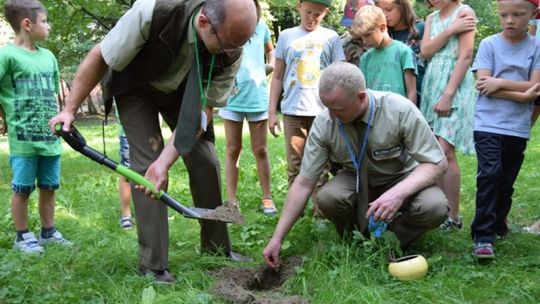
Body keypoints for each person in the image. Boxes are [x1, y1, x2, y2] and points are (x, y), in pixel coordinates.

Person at [49, 0, 258, 283]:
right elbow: (100, 56)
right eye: (226, 44)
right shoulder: (153, 11)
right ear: (204, 23)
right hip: (136, 85)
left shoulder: (232, 48)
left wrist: (167, 161)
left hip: (185, 89)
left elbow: (201, 114)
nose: (231, 52)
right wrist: (70, 109)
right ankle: (154, 265)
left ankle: (217, 248)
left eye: (239, 44)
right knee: (148, 163)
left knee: (206, 159)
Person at [263, 62, 449, 268]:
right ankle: (355, 240)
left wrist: (397, 194)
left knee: (435, 207)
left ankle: (393, 239)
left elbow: (437, 163)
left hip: (401, 177)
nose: (332, 116)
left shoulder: (399, 110)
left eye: (338, 109)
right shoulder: (326, 121)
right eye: (327, 108)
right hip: (355, 178)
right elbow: (304, 183)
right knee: (328, 197)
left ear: (361, 97)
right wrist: (277, 238)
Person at [470, 0, 540, 259]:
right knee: (489, 174)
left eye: (518, 15)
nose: (510, 20)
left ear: (533, 15)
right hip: (488, 123)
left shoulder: (537, 46)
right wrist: (523, 94)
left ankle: (498, 223)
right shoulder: (489, 44)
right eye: (504, 15)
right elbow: (482, 83)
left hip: (517, 128)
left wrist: (499, 83)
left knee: (506, 181)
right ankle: (482, 235)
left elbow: (536, 86)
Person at [0, 0, 72, 253]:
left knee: (49, 187)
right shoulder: (6, 55)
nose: (48, 26)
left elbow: (53, 95)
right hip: (23, 141)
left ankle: (48, 231)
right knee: (22, 189)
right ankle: (22, 236)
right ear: (27, 24)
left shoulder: (48, 56)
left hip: (50, 139)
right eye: (45, 21)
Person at [268, 0, 345, 214]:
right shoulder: (286, 36)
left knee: (321, 166)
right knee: (295, 165)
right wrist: (272, 112)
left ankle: (320, 214)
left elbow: (340, 75)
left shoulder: (331, 37)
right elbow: (277, 77)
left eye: (318, 14)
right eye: (308, 11)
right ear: (299, 6)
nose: (312, 18)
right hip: (293, 111)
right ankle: (295, 212)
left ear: (326, 13)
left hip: (323, 113)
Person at [420, 0, 477, 231]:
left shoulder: (465, 12)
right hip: (433, 82)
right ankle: (438, 211)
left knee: (445, 151)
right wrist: (451, 30)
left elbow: (465, 56)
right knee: (433, 151)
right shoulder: (431, 18)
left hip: (454, 85)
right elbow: (425, 52)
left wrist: (448, 94)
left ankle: (453, 217)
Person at [218, 0, 277, 215]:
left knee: (260, 150)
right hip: (231, 97)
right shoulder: (225, 24)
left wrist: (269, 67)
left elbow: (271, 51)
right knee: (233, 149)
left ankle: (267, 197)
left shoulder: (261, 28)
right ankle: (231, 201)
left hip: (257, 98)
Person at [351, 5, 417, 104]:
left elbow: (412, 92)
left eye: (368, 35)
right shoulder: (365, 58)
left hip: (399, 113)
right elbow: (364, 91)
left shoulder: (403, 51)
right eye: (362, 36)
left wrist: (409, 117)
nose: (364, 41)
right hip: (374, 114)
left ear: (382, 27)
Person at [375, 0, 426, 107]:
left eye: (389, 9)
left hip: (422, 96)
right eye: (381, 11)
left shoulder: (421, 28)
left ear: (403, 6)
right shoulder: (383, 35)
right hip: (392, 100)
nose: (385, 15)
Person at [339, 0, 373, 66]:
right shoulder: (342, 42)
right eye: (348, 25)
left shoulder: (377, 44)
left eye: (355, 25)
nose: (351, 29)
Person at [117, 122, 133, 229]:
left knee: (150, 170)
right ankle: (126, 215)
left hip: (151, 134)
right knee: (126, 172)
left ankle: (154, 210)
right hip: (128, 134)